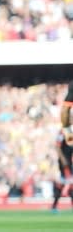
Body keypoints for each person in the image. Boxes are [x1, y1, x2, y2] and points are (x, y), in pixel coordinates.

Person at [53, 82, 73, 212]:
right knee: (65, 183)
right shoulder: (64, 130)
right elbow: (58, 147)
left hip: (69, 161)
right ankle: (54, 206)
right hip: (64, 162)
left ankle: (55, 205)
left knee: (67, 183)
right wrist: (64, 160)